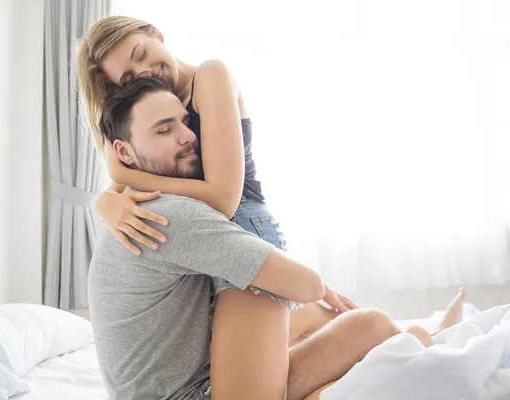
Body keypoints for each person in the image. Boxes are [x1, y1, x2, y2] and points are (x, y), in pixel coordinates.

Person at [87, 77, 468, 400]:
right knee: (368, 323)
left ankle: (421, 338)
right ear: (123, 152)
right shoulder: (170, 213)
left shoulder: (130, 208)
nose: (188, 137)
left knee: (314, 316)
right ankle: (422, 340)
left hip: (165, 384)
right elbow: (304, 284)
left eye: (185, 123)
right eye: (164, 129)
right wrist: (302, 283)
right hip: (194, 394)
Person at [76, 15, 356, 397]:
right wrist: (105, 200)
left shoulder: (209, 76)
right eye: (128, 78)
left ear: (158, 34)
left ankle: (391, 337)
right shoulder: (157, 106)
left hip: (240, 226)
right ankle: (396, 338)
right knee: (267, 365)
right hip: (207, 248)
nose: (145, 72)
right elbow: (138, 180)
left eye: (142, 54)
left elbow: (224, 199)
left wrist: (124, 177)